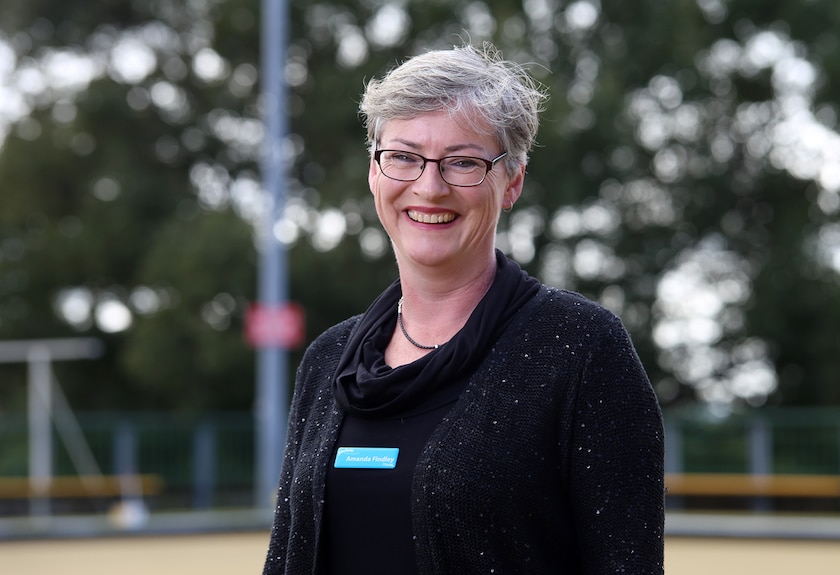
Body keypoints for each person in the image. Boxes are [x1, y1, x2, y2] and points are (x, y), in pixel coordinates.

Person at [263, 42, 664, 574]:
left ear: (512, 182)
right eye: (404, 157)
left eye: (463, 162)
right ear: (374, 173)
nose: (429, 187)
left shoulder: (582, 350)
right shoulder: (330, 359)